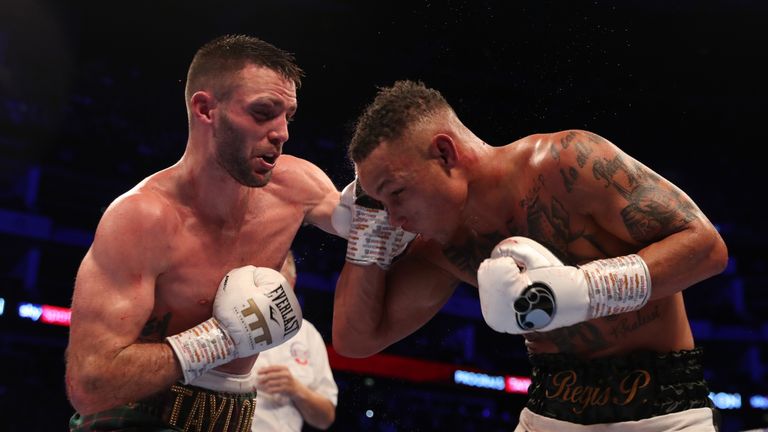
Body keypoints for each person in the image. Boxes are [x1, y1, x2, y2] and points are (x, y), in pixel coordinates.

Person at [330, 80, 729, 430]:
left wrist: (589, 287)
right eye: (382, 205)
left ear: (445, 154)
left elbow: (707, 248)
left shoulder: (567, 163)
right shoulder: (442, 247)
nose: (395, 219)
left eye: (396, 193)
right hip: (549, 414)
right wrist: (368, 235)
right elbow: (355, 341)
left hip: (664, 412)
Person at [65, 34, 341, 432]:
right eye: (264, 112)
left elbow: (372, 223)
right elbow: (90, 385)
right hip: (135, 420)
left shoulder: (296, 186)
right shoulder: (142, 217)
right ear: (206, 109)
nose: (282, 133)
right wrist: (222, 338)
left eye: (288, 117)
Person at [250, 249, 338, 431]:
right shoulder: (226, 321)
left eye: (277, 279)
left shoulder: (308, 334)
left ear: (292, 282)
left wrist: (296, 390)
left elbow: (326, 418)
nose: (269, 287)